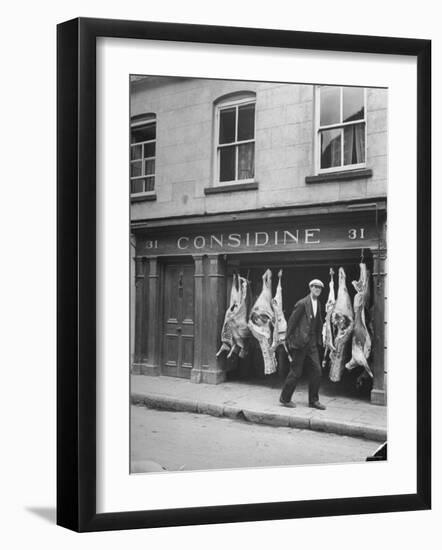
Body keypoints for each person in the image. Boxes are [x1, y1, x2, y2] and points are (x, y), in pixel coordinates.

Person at [279, 279, 327, 410]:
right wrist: (287, 339)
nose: (318, 289)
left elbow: (318, 322)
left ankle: (314, 401)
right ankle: (285, 398)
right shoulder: (302, 303)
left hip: (312, 343)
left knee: (317, 371)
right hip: (300, 343)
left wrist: (320, 339)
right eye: (315, 287)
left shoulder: (318, 303)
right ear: (310, 288)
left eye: (320, 288)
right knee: (296, 372)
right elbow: (292, 322)